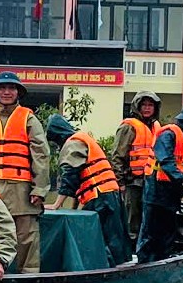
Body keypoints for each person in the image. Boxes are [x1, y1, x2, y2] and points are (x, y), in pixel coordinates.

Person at [0, 71, 48, 273]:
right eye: (2, 88)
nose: (6, 92)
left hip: (21, 188)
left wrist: (39, 188)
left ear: (18, 92)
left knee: (26, 235)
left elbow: (41, 154)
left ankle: (29, 276)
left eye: (11, 88)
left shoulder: (29, 119)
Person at [42, 114, 133, 267]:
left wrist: (56, 204)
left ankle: (107, 271)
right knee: (115, 235)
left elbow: (70, 175)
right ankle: (120, 267)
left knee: (101, 236)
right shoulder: (83, 138)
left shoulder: (73, 143)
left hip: (100, 196)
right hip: (110, 192)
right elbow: (81, 177)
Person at [135, 103, 183, 264]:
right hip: (155, 189)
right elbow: (165, 160)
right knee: (150, 228)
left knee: (168, 228)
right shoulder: (168, 135)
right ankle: (144, 261)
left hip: (172, 191)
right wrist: (182, 178)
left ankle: (163, 259)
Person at [112, 91, 161, 238]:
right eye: (144, 105)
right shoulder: (129, 127)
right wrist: (120, 183)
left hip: (151, 181)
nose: (147, 108)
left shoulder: (156, 127)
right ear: (137, 107)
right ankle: (131, 249)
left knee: (149, 218)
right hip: (132, 182)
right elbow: (117, 156)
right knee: (132, 218)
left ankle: (145, 247)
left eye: (150, 105)